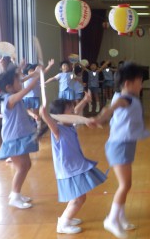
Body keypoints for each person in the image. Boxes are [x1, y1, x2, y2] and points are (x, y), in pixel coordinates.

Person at [90, 63, 150, 238]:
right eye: (139, 81)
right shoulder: (125, 98)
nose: (142, 85)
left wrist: (101, 118)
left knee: (126, 184)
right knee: (125, 185)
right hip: (120, 145)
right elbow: (112, 108)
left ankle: (121, 217)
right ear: (127, 83)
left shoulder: (128, 97)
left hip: (125, 143)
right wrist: (100, 117)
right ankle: (112, 219)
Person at [39, 93, 107, 234]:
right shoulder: (57, 129)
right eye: (70, 110)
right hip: (69, 169)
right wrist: (43, 111)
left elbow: (76, 114)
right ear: (60, 115)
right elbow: (47, 117)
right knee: (79, 198)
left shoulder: (69, 125)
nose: (74, 112)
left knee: (79, 196)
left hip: (75, 165)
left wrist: (85, 100)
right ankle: (63, 223)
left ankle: (66, 218)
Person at [0, 66, 41, 209]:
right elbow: (26, 90)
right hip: (13, 138)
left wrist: (22, 72)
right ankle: (14, 196)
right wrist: (37, 76)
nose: (21, 84)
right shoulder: (10, 99)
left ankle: (17, 194)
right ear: (8, 87)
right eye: (18, 82)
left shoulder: (11, 96)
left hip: (20, 136)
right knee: (22, 167)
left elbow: (23, 85)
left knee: (25, 165)